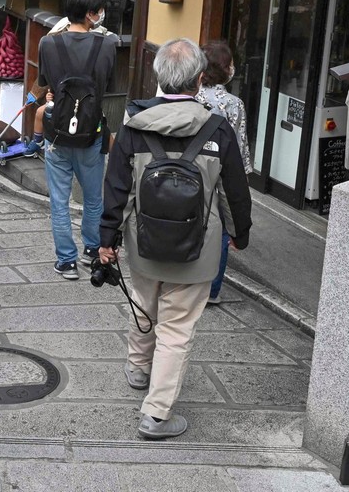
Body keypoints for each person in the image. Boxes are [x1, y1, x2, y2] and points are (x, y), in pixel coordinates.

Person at [98, 38, 253, 440]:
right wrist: (240, 233)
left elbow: (116, 190)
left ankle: (137, 368)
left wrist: (107, 238)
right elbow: (234, 192)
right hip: (198, 249)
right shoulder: (217, 128)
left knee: (144, 301)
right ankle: (156, 414)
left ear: (157, 77)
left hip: (143, 243)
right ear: (199, 80)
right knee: (177, 329)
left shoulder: (132, 127)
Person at [37, 0, 120, 280]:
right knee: (93, 198)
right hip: (91, 132)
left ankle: (66, 261)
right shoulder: (107, 45)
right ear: (90, 14)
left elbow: (45, 82)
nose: (100, 15)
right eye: (99, 10)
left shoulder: (48, 44)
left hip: (57, 132)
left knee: (59, 201)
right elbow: (107, 86)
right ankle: (92, 250)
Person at [195, 41, 252, 304]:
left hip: (192, 168)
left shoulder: (190, 95)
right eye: (230, 64)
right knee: (220, 228)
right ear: (225, 69)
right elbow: (239, 146)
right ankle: (211, 289)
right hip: (222, 170)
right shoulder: (233, 103)